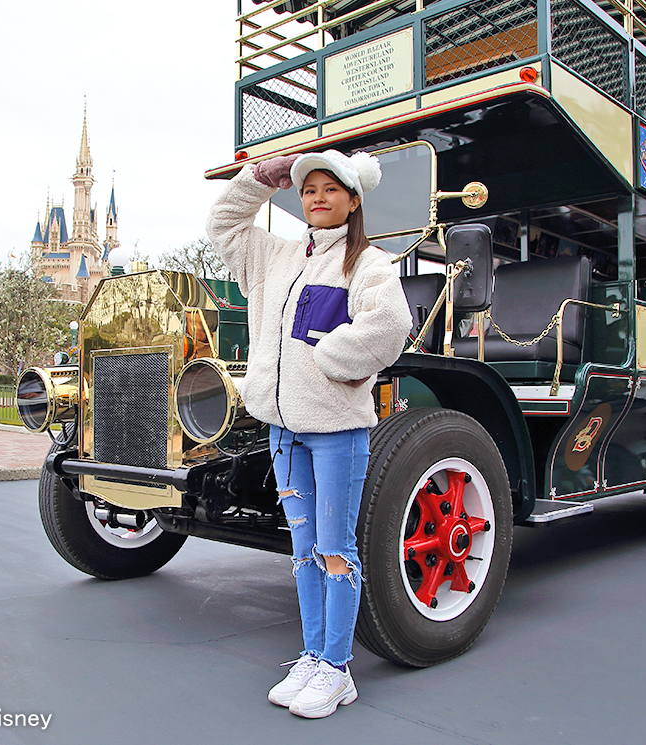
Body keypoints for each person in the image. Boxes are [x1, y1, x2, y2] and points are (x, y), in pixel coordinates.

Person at [206, 149, 412, 719]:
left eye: (330, 188)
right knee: (302, 551)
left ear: (353, 199)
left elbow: (392, 325)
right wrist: (258, 179)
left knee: (335, 551)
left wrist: (331, 359)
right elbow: (222, 224)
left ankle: (337, 669)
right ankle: (314, 654)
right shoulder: (272, 256)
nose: (317, 197)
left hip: (336, 433)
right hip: (283, 431)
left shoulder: (368, 263)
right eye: (307, 189)